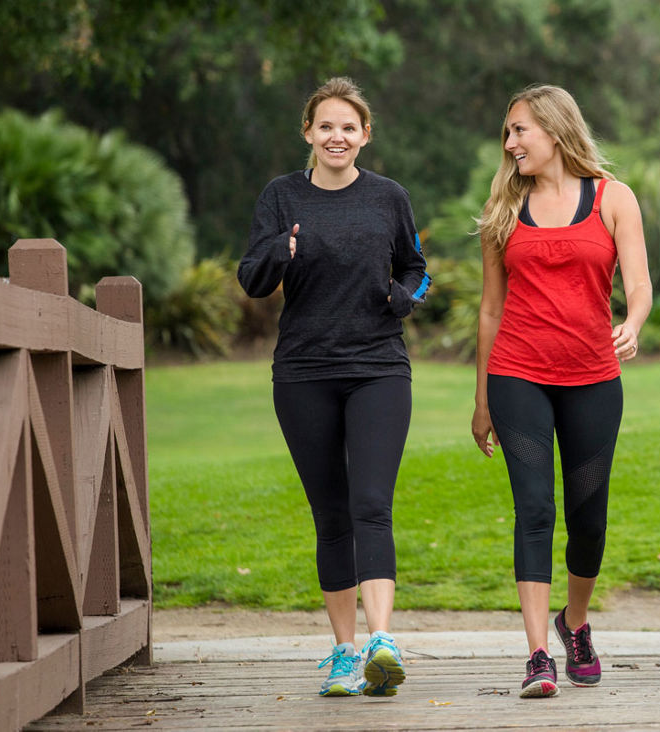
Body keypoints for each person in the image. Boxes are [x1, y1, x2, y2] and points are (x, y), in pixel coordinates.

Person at [237, 76, 430, 698]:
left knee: (372, 502)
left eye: (349, 126)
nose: (337, 136)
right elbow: (252, 279)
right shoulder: (280, 196)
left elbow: (416, 268)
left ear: (365, 135)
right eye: (326, 126)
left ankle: (381, 642)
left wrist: (402, 298)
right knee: (332, 514)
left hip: (378, 367)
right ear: (308, 133)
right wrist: (281, 252)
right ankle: (344, 653)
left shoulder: (388, 198)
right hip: (303, 372)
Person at [470, 84, 653, 698]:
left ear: (554, 130)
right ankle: (538, 656)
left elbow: (641, 282)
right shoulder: (503, 204)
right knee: (535, 509)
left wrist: (632, 322)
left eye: (520, 130)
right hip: (518, 372)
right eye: (508, 131)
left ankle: (574, 623)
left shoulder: (612, 197)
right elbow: (490, 309)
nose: (510, 142)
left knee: (588, 518)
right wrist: (481, 401)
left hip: (593, 378)